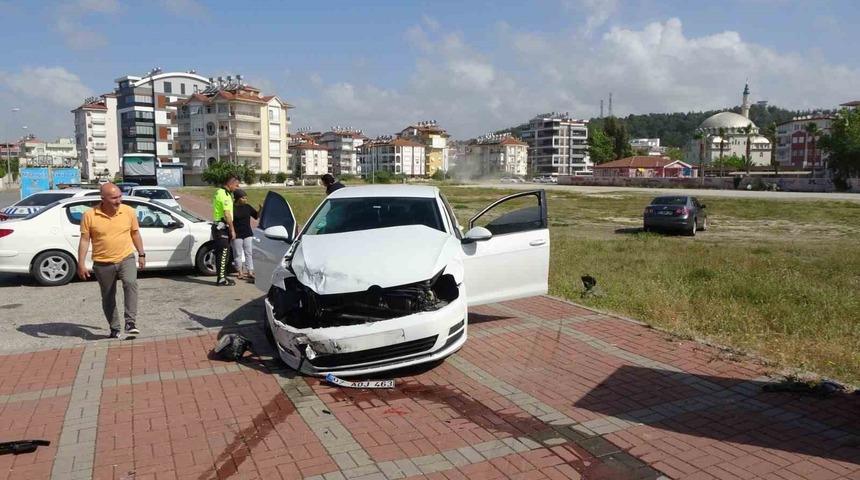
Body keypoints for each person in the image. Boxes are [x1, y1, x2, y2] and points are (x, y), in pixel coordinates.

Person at [77, 183, 145, 339]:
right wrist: (81, 264)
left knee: (130, 283)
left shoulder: (128, 211)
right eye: (114, 198)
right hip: (102, 263)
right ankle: (114, 328)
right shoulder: (89, 215)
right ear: (103, 199)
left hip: (126, 257)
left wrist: (141, 254)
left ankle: (130, 322)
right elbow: (85, 240)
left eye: (120, 196)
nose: (118, 200)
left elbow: (135, 234)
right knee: (108, 296)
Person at [212, 175, 240, 286]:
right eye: (236, 185)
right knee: (223, 254)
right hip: (222, 228)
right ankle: (221, 279)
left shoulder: (220, 192)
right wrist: (232, 230)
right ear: (230, 183)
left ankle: (223, 276)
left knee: (225, 253)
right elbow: (227, 214)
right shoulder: (224, 195)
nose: (237, 187)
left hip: (219, 227)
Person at [231, 189, 259, 280]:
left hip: (247, 233)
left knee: (249, 253)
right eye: (243, 198)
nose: (246, 200)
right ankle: (240, 272)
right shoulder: (231, 208)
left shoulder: (247, 207)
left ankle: (250, 271)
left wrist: (261, 209)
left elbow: (256, 216)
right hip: (237, 234)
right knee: (238, 254)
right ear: (238, 198)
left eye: (246, 198)